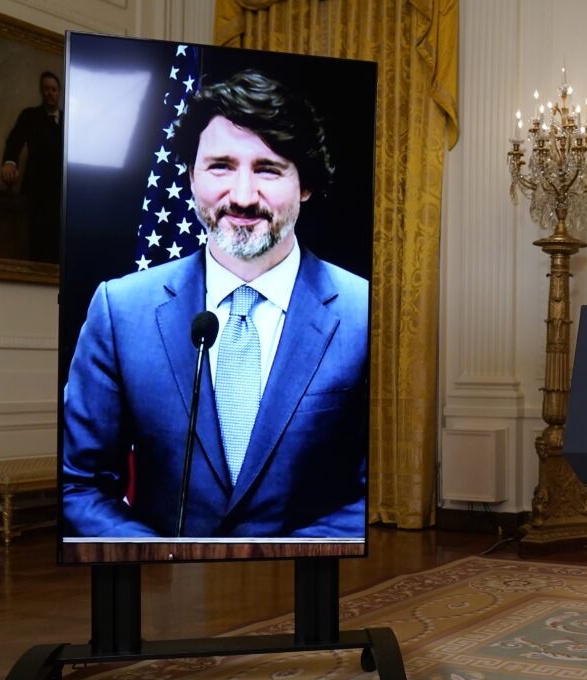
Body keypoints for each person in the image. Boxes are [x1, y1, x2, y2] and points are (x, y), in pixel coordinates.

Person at [62, 69, 368, 540]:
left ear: (305, 184)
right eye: (220, 166)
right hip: (163, 599)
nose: (243, 197)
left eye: (268, 169)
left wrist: (271, 566)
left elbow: (372, 494)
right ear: (189, 176)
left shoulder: (365, 313)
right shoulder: (120, 310)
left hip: (311, 590)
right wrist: (166, 563)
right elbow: (80, 487)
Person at [0, 70, 64, 264]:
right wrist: (10, 162)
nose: (50, 93)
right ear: (41, 91)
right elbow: (15, 140)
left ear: (59, 92)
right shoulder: (30, 116)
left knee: (57, 249)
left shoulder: (69, 120)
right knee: (36, 245)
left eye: (53, 89)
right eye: (46, 89)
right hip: (37, 192)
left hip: (62, 195)